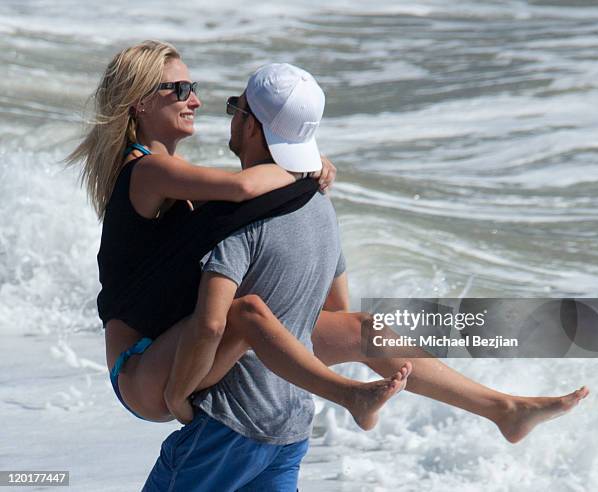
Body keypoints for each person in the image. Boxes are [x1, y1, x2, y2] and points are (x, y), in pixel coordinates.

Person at [142, 62, 590, 491]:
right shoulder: (320, 209)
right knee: (362, 327)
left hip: (229, 424)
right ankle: (500, 408)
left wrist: (178, 397)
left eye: (235, 108)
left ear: (253, 127)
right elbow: (336, 314)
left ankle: (490, 408)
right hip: (290, 426)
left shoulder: (234, 221)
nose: (230, 118)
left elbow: (213, 323)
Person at [67, 40, 410, 431]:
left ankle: (490, 403)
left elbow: (244, 191)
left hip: (178, 348)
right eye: (179, 90)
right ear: (140, 103)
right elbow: (243, 188)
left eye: (192, 88)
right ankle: (350, 395)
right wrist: (303, 162)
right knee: (245, 313)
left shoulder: (174, 178)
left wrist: (305, 164)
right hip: (141, 368)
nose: (194, 100)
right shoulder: (146, 171)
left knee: (357, 328)